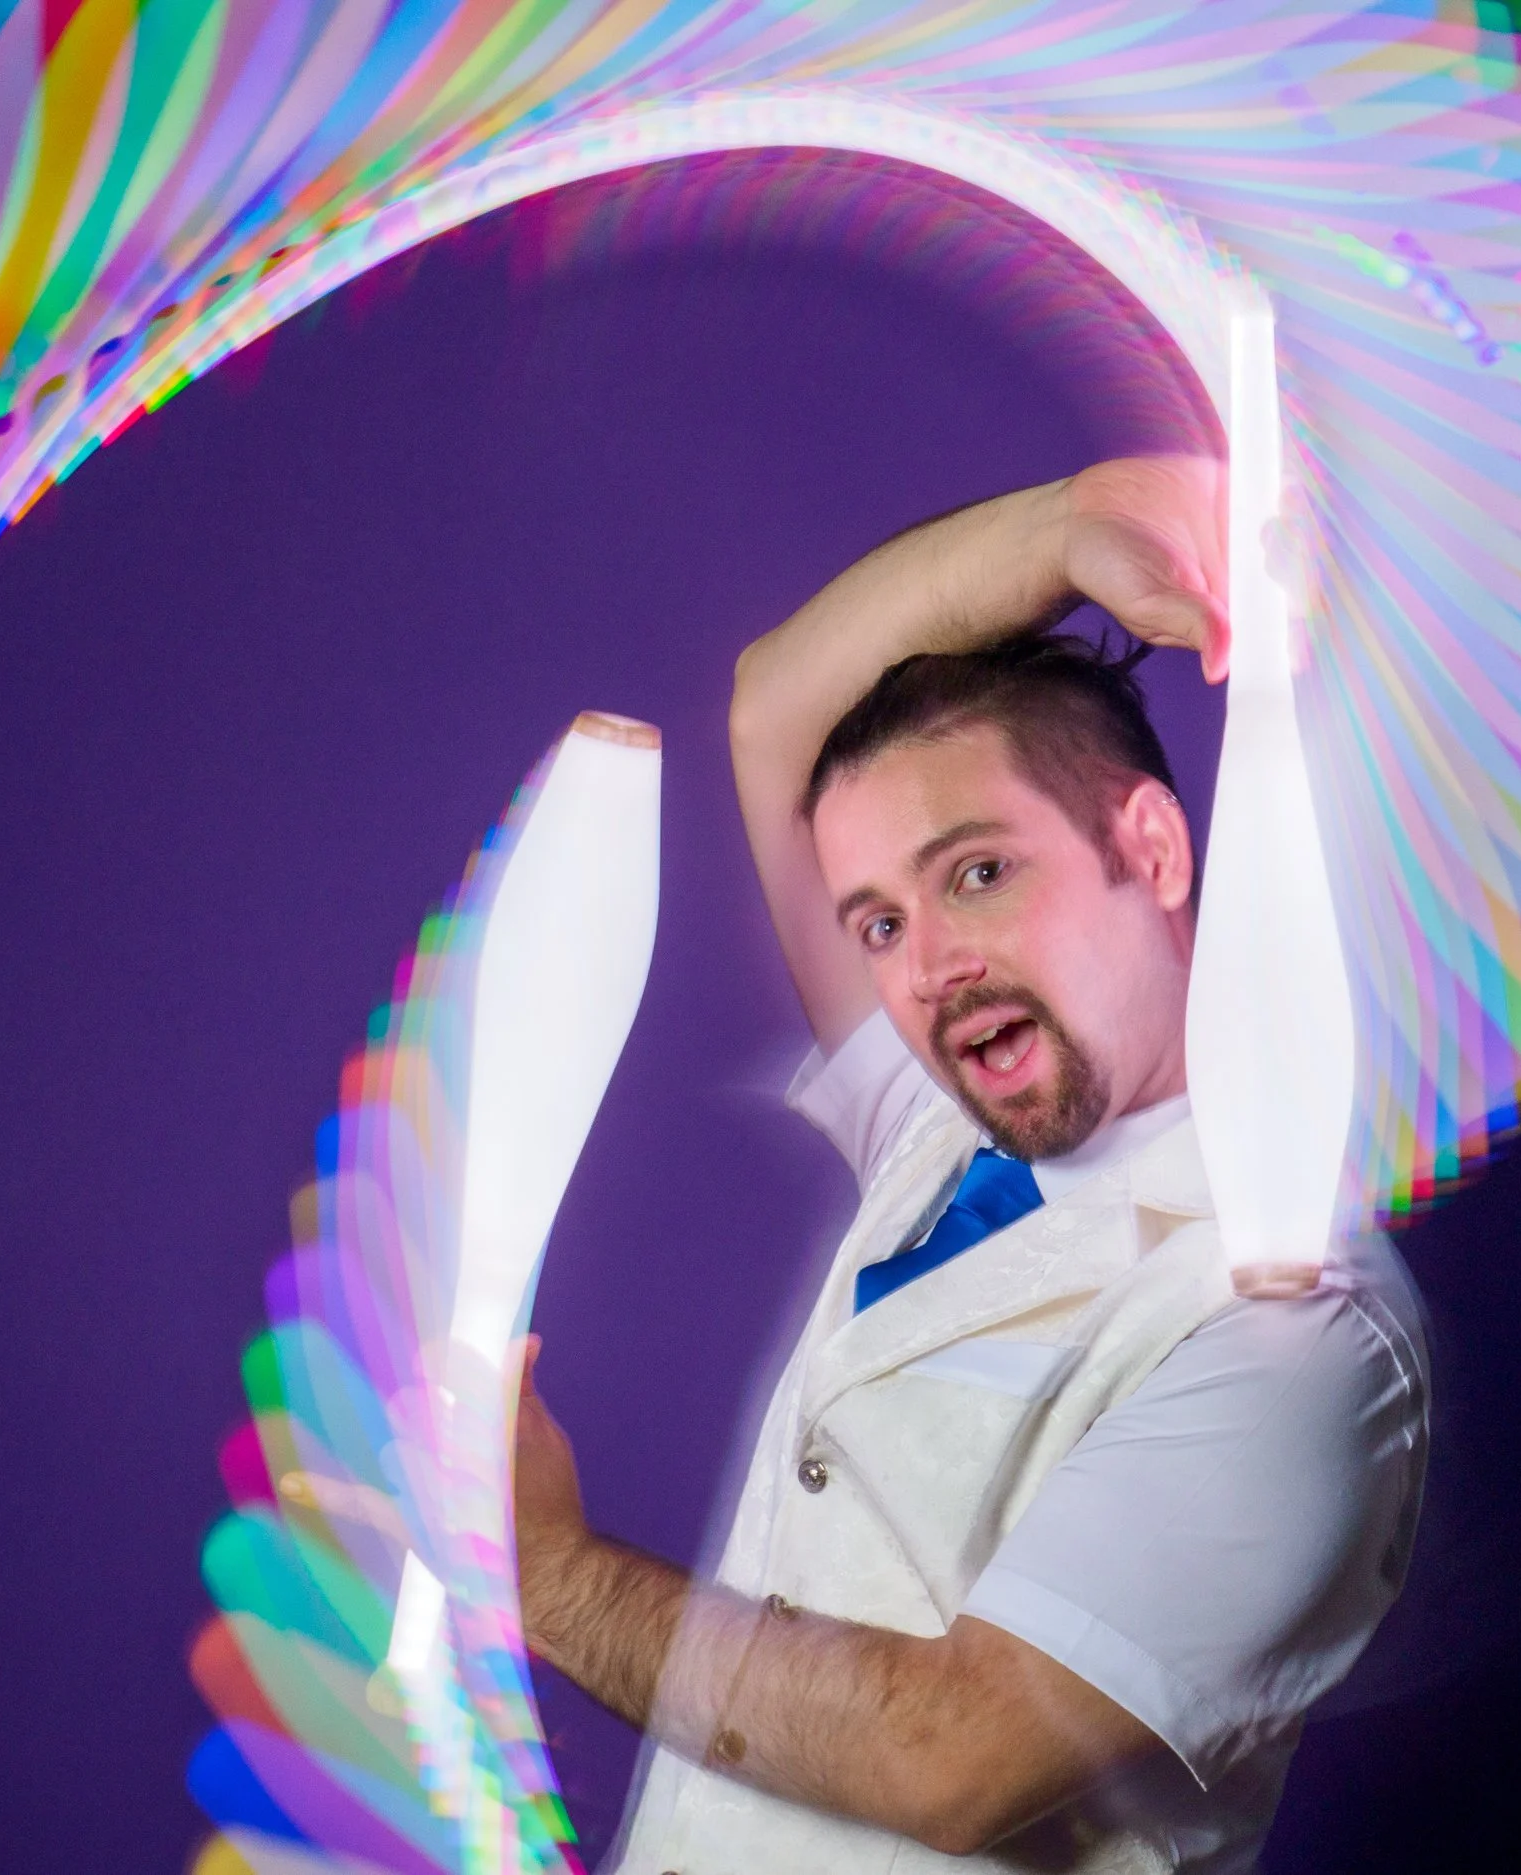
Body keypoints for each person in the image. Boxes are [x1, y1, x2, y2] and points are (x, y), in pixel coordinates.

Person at [510, 456, 1430, 1874]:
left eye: (979, 872)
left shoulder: (1297, 1320)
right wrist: (1072, 526)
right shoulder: (941, 1128)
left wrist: (551, 1578)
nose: (929, 966)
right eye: (879, 922)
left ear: (1151, 846)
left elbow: (955, 1758)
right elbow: (780, 705)